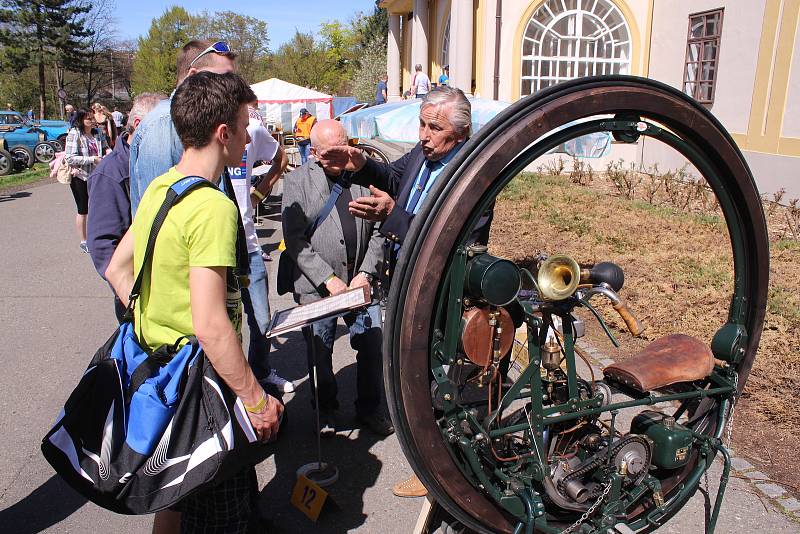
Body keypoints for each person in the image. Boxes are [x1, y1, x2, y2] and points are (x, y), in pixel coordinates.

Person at [105, 71, 283, 534]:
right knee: (221, 514)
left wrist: (160, 324)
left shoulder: (162, 186)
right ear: (223, 134)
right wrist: (257, 399)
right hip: (203, 384)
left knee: (177, 496)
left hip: (162, 372)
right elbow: (210, 324)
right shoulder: (213, 207)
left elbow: (117, 270)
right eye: (245, 128)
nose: (248, 140)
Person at [281, 119, 394, 438]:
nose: (344, 153)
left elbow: (379, 230)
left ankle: (370, 408)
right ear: (314, 153)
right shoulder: (297, 181)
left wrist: (366, 273)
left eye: (348, 145)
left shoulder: (363, 175)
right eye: (334, 150)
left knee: (372, 344)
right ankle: (325, 405)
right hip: (317, 287)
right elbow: (294, 239)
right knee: (320, 350)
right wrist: (328, 280)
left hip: (360, 281)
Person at [229, 99, 294, 393]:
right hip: (216, 248)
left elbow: (281, 159)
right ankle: (225, 386)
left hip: (250, 245)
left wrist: (258, 194)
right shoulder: (202, 132)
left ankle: (261, 372)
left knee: (262, 320)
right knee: (223, 324)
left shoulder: (252, 129)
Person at [129, 39, 237, 215]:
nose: (232, 89)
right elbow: (159, 218)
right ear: (192, 77)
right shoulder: (164, 124)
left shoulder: (204, 121)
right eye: (222, 80)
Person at [86, 93, 166, 322]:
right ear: (139, 125)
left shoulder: (157, 160)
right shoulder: (111, 173)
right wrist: (135, 300)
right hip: (139, 299)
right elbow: (103, 246)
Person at [64, 108, 106, 253]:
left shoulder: (98, 133)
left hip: (98, 176)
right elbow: (69, 157)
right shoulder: (75, 134)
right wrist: (92, 159)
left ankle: (98, 236)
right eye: (89, 119)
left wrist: (110, 155)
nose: (93, 121)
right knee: (83, 210)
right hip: (80, 177)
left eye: (93, 118)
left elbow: (106, 148)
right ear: (81, 120)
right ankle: (84, 241)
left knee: (98, 207)